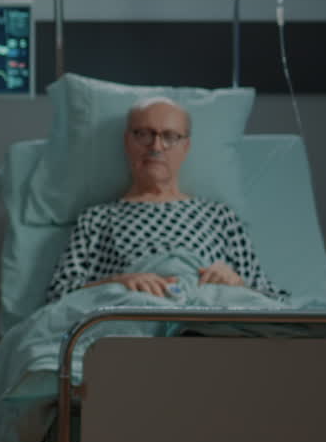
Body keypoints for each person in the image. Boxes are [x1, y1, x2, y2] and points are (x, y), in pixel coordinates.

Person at [45, 96, 286, 303]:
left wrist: (236, 283)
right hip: (130, 319)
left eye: (170, 136)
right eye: (143, 134)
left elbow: (272, 300)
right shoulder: (96, 218)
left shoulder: (220, 217)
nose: (156, 146)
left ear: (186, 146)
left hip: (209, 320)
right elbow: (58, 296)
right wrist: (118, 282)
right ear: (127, 141)